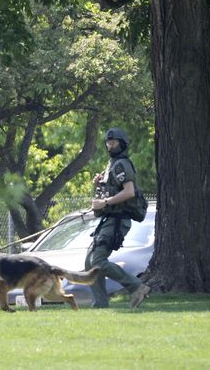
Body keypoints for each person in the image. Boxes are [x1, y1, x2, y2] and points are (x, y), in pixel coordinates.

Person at [86, 127, 151, 309]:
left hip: (117, 220)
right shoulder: (112, 164)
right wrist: (99, 184)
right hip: (109, 219)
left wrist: (105, 202)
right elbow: (112, 189)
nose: (109, 145)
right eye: (108, 142)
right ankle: (100, 303)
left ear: (122, 144)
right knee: (89, 261)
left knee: (97, 261)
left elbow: (129, 192)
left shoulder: (121, 164)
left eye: (113, 142)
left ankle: (137, 287)